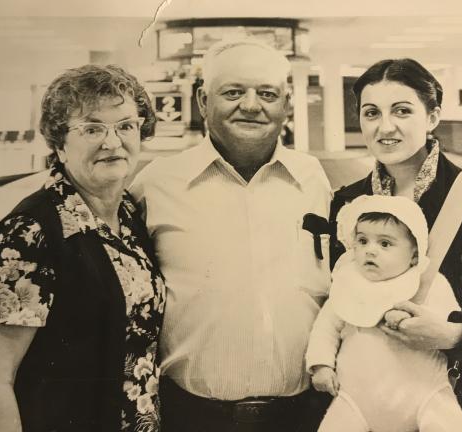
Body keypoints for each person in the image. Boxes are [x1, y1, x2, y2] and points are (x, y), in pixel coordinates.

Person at [329, 58, 462, 432]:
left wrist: (454, 333)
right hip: (372, 405)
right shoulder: (348, 204)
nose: (385, 127)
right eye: (371, 113)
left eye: (402, 111)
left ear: (432, 117)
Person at [130, 38, 333, 432]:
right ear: (204, 102)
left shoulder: (314, 180)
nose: (252, 105)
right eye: (233, 92)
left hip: (304, 416)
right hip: (192, 418)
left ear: (287, 104)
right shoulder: (156, 184)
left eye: (268, 93)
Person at [0, 65, 165, 432]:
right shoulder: (30, 233)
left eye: (125, 126)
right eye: (92, 129)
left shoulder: (128, 215)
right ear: (59, 143)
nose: (112, 142)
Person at [307, 195, 462, 432]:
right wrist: (321, 365)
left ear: (414, 254)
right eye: (362, 241)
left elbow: (445, 321)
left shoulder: (431, 283)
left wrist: (409, 317)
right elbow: (325, 328)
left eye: (385, 244)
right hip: (356, 396)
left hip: (423, 391)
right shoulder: (348, 284)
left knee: (447, 424)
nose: (370, 251)